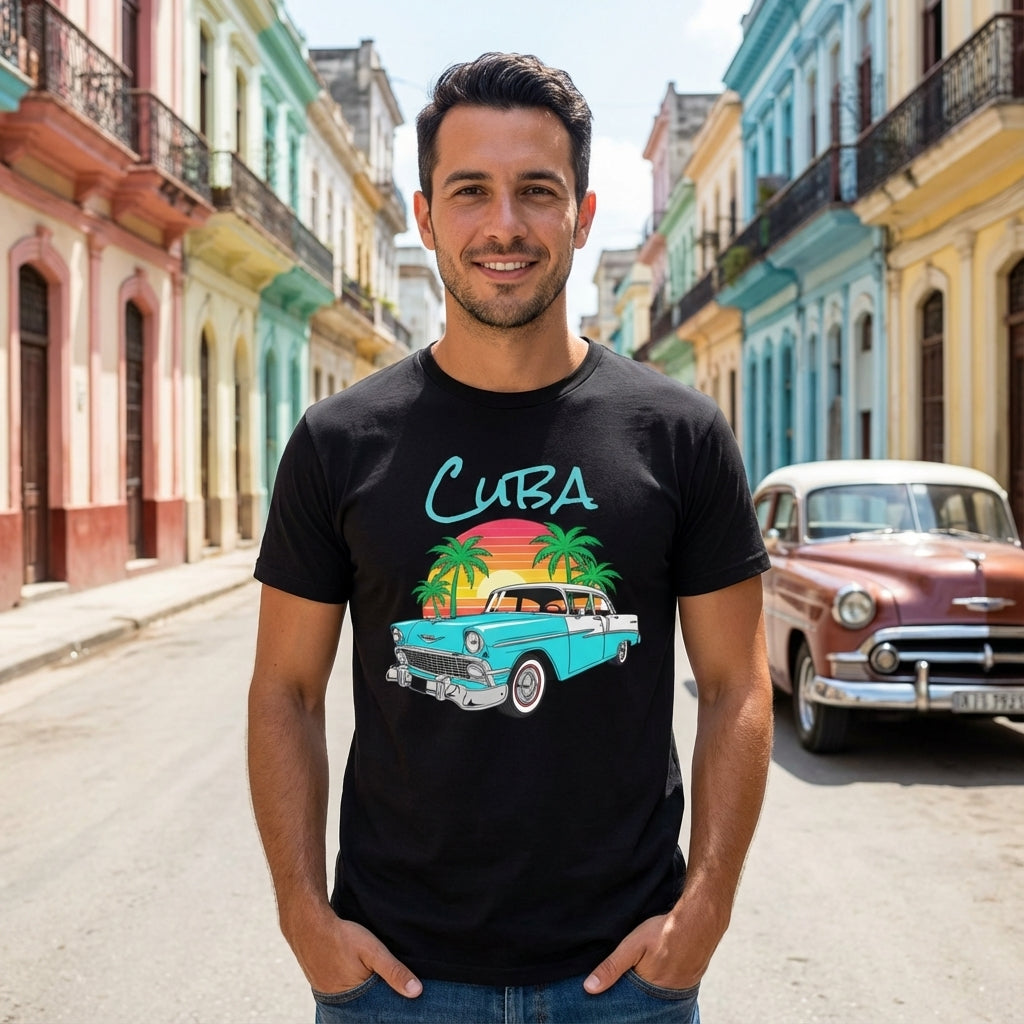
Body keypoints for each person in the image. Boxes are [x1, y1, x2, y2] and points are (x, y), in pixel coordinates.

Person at [247, 51, 773, 1024]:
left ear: (580, 212)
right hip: (393, 980)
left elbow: (738, 685)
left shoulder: (679, 432)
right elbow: (284, 690)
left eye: (536, 191)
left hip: (624, 981)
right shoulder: (338, 440)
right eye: (470, 192)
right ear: (424, 215)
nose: (503, 225)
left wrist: (702, 913)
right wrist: (301, 917)